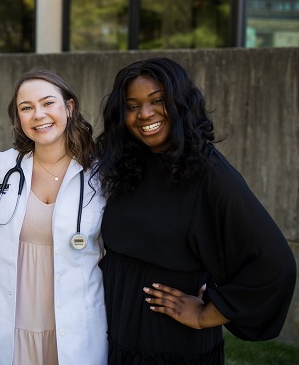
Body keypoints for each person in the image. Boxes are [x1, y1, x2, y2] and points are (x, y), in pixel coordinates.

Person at [95, 57, 296, 364]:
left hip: (169, 343)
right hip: (114, 331)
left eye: (157, 101)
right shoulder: (127, 164)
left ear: (179, 103)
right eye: (132, 106)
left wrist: (205, 315)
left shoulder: (209, 173)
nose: (144, 114)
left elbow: (274, 264)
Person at [0, 68, 108, 365]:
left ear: (69, 107)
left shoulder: (99, 173)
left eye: (48, 103)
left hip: (75, 322)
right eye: (27, 108)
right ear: (18, 118)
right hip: (12, 321)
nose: (38, 114)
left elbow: (110, 247)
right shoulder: (4, 165)